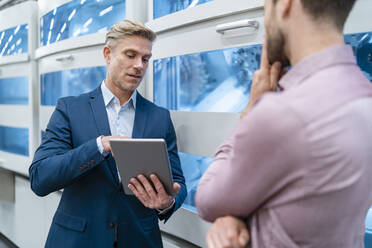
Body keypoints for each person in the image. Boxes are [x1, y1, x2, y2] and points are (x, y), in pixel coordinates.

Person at [195, 0, 372, 247]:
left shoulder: (281, 114)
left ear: (286, 4)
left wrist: (251, 111)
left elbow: (206, 200)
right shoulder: (364, 94)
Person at [29, 20, 187, 248]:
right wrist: (99, 146)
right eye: (130, 55)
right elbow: (40, 177)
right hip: (77, 240)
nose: (139, 66)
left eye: (145, 59)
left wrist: (167, 203)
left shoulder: (159, 117)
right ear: (108, 54)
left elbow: (178, 181)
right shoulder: (70, 109)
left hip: (139, 240)